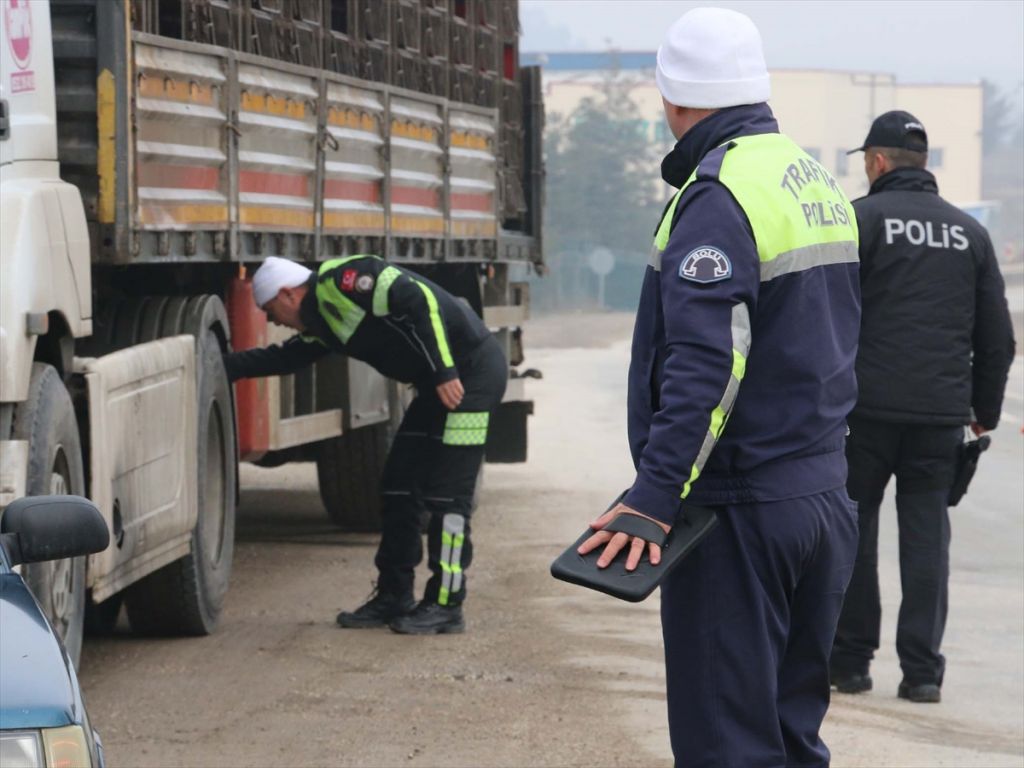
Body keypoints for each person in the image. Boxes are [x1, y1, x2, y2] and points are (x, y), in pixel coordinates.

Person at [577, 8, 862, 765]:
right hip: (821, 501)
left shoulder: (718, 194)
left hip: (743, 513)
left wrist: (654, 495)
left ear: (672, 100)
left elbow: (709, 364)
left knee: (727, 746)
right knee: (790, 737)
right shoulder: (811, 178)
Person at [830, 112, 1016, 703]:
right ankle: (922, 674)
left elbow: (826, 319)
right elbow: (998, 338)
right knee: (927, 537)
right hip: (940, 414)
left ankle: (852, 662)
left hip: (865, 413)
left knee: (853, 531)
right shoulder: (969, 234)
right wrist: (981, 409)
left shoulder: (859, 221)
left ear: (878, 162)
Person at [224, 255, 507, 635]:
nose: (271, 320)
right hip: (437, 387)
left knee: (448, 499)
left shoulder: (348, 280)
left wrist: (443, 371)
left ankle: (446, 604)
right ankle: (394, 596)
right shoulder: (323, 320)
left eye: (270, 310)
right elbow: (287, 357)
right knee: (397, 486)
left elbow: (420, 299)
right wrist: (224, 366)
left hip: (471, 378)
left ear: (288, 294)